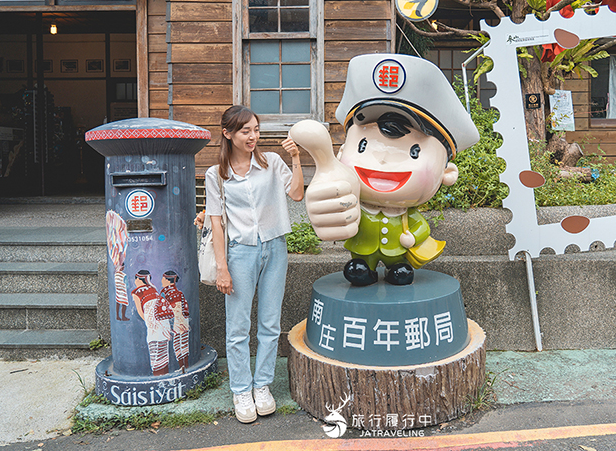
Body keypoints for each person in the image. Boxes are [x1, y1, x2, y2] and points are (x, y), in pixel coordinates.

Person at [295, 53, 479, 286]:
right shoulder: (356, 202)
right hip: (364, 248)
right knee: (358, 268)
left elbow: (420, 226)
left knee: (401, 272)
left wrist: (413, 236)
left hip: (397, 250)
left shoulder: (407, 214)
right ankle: (364, 268)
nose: (381, 159)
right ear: (341, 153)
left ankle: (397, 267)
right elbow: (342, 219)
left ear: (447, 173)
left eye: (414, 151)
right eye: (363, 146)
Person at [203, 105, 304, 424]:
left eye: (256, 130)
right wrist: (222, 266)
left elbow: (297, 194)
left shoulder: (272, 163)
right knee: (237, 327)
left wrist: (297, 159)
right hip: (240, 252)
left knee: (270, 324)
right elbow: (216, 223)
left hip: (275, 247)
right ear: (228, 133)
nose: (253, 136)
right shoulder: (216, 175)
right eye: (246, 131)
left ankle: (262, 386)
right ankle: (241, 390)